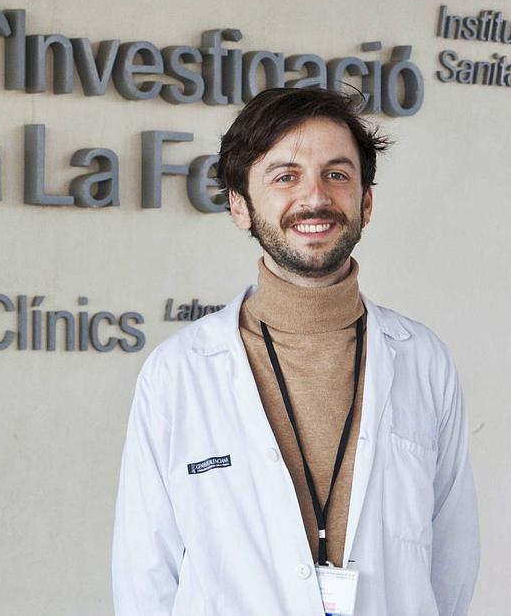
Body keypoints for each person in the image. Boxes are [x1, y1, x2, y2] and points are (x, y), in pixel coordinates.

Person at [111, 87, 479, 615]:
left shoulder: (423, 361)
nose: (315, 198)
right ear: (239, 206)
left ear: (366, 201)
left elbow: (452, 559)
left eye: (337, 174)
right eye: (285, 176)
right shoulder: (178, 374)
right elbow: (144, 575)